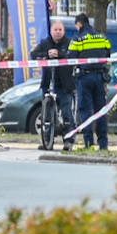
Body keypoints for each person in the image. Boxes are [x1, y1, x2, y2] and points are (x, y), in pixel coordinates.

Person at [68, 13, 113, 152]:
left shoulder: (78, 39)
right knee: (101, 111)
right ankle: (103, 143)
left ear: (79, 24)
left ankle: (88, 142)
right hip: (100, 77)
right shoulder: (102, 37)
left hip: (85, 78)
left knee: (85, 110)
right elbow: (108, 53)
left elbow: (71, 57)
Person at [31, 19, 77, 147]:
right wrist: (46, 54)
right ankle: (47, 140)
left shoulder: (69, 43)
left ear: (63, 31)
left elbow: (73, 56)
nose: (57, 32)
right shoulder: (45, 43)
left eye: (60, 30)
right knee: (46, 114)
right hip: (48, 82)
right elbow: (33, 54)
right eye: (55, 30)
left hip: (64, 84)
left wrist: (60, 54)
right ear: (51, 31)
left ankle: (68, 140)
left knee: (66, 112)